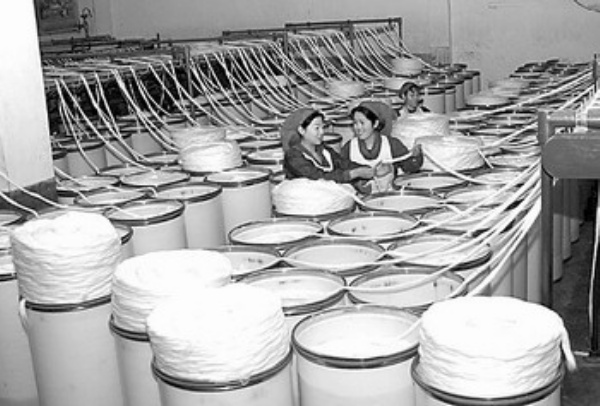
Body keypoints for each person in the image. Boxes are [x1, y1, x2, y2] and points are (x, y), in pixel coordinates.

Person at [342, 101, 423, 192]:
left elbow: (409, 167)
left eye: (362, 123)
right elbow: (340, 174)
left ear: (375, 123)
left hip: (389, 197)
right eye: (355, 123)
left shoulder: (392, 144)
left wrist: (416, 156)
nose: (358, 127)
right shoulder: (349, 147)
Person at [282, 107, 375, 186]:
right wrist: (353, 174)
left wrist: (369, 169)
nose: (322, 132)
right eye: (317, 128)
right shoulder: (293, 155)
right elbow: (317, 177)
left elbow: (344, 164)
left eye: (323, 127)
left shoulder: (324, 150)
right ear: (301, 130)